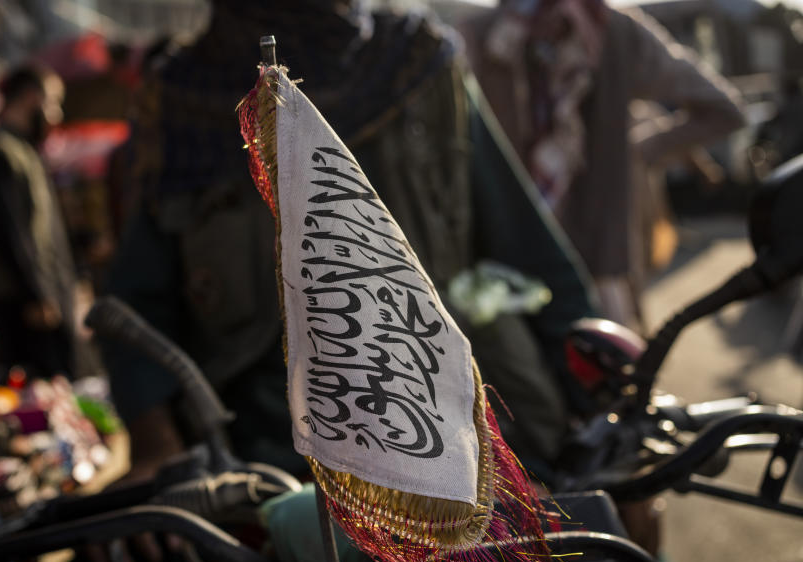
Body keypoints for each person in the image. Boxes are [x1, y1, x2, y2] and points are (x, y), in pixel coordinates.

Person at [103, 0, 597, 486]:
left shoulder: (417, 65)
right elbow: (135, 307)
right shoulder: (178, 104)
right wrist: (156, 444)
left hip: (462, 442)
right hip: (277, 468)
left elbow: (527, 248)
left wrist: (603, 408)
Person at [459, 1, 746, 329]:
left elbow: (724, 110)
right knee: (602, 364)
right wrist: (639, 151)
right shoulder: (613, 30)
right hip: (573, 267)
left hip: (511, 264)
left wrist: (640, 150)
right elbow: (724, 109)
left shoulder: (484, 34)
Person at [0, 64, 77, 378]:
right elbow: (8, 229)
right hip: (21, 299)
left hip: (40, 291)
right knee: (36, 384)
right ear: (31, 98)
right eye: (52, 102)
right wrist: (35, 294)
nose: (56, 114)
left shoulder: (24, 149)